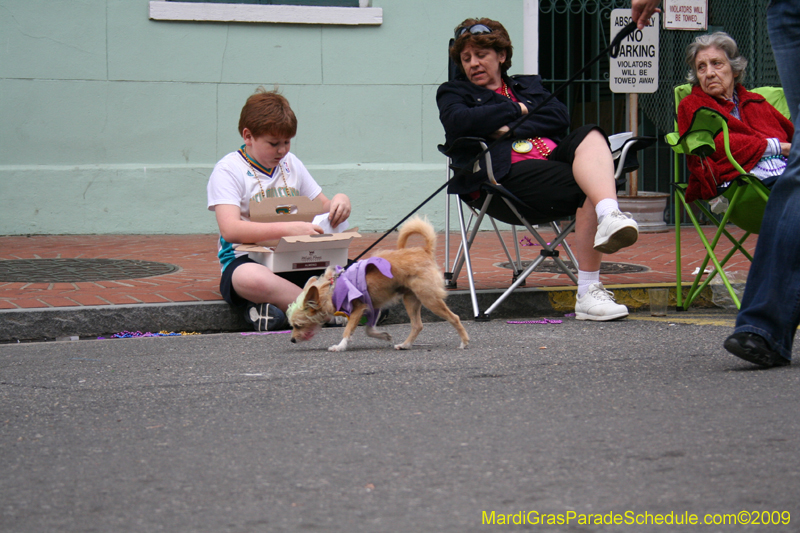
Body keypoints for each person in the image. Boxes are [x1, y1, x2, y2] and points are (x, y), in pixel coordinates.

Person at [437, 17, 640, 321]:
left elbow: (558, 116)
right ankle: (588, 291)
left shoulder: (527, 85)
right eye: (466, 59)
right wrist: (518, 109)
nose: (473, 64)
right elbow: (460, 122)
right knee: (593, 185)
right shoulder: (454, 93)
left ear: (501, 55)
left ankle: (609, 215)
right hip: (502, 180)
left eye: (481, 55)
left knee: (590, 133)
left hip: (554, 164)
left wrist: (504, 126)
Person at [207, 88, 352, 331]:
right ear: (248, 136)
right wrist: (288, 229)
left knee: (356, 270)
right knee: (250, 280)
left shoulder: (291, 163)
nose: (282, 150)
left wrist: (340, 200)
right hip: (248, 260)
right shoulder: (228, 170)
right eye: (274, 143)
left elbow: (322, 206)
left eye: (287, 142)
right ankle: (329, 312)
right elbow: (230, 229)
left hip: (295, 259)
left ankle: (280, 311)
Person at [724, 0, 800, 367]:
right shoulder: (697, 105)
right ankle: (764, 327)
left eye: (718, 64)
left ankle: (764, 326)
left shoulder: (756, 103)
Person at [678, 32, 794, 203]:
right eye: (701, 67)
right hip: (742, 184)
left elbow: (793, 136)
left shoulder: (756, 102)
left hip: (785, 174)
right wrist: (779, 147)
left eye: (716, 63)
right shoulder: (692, 105)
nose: (709, 73)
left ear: (734, 70)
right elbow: (717, 146)